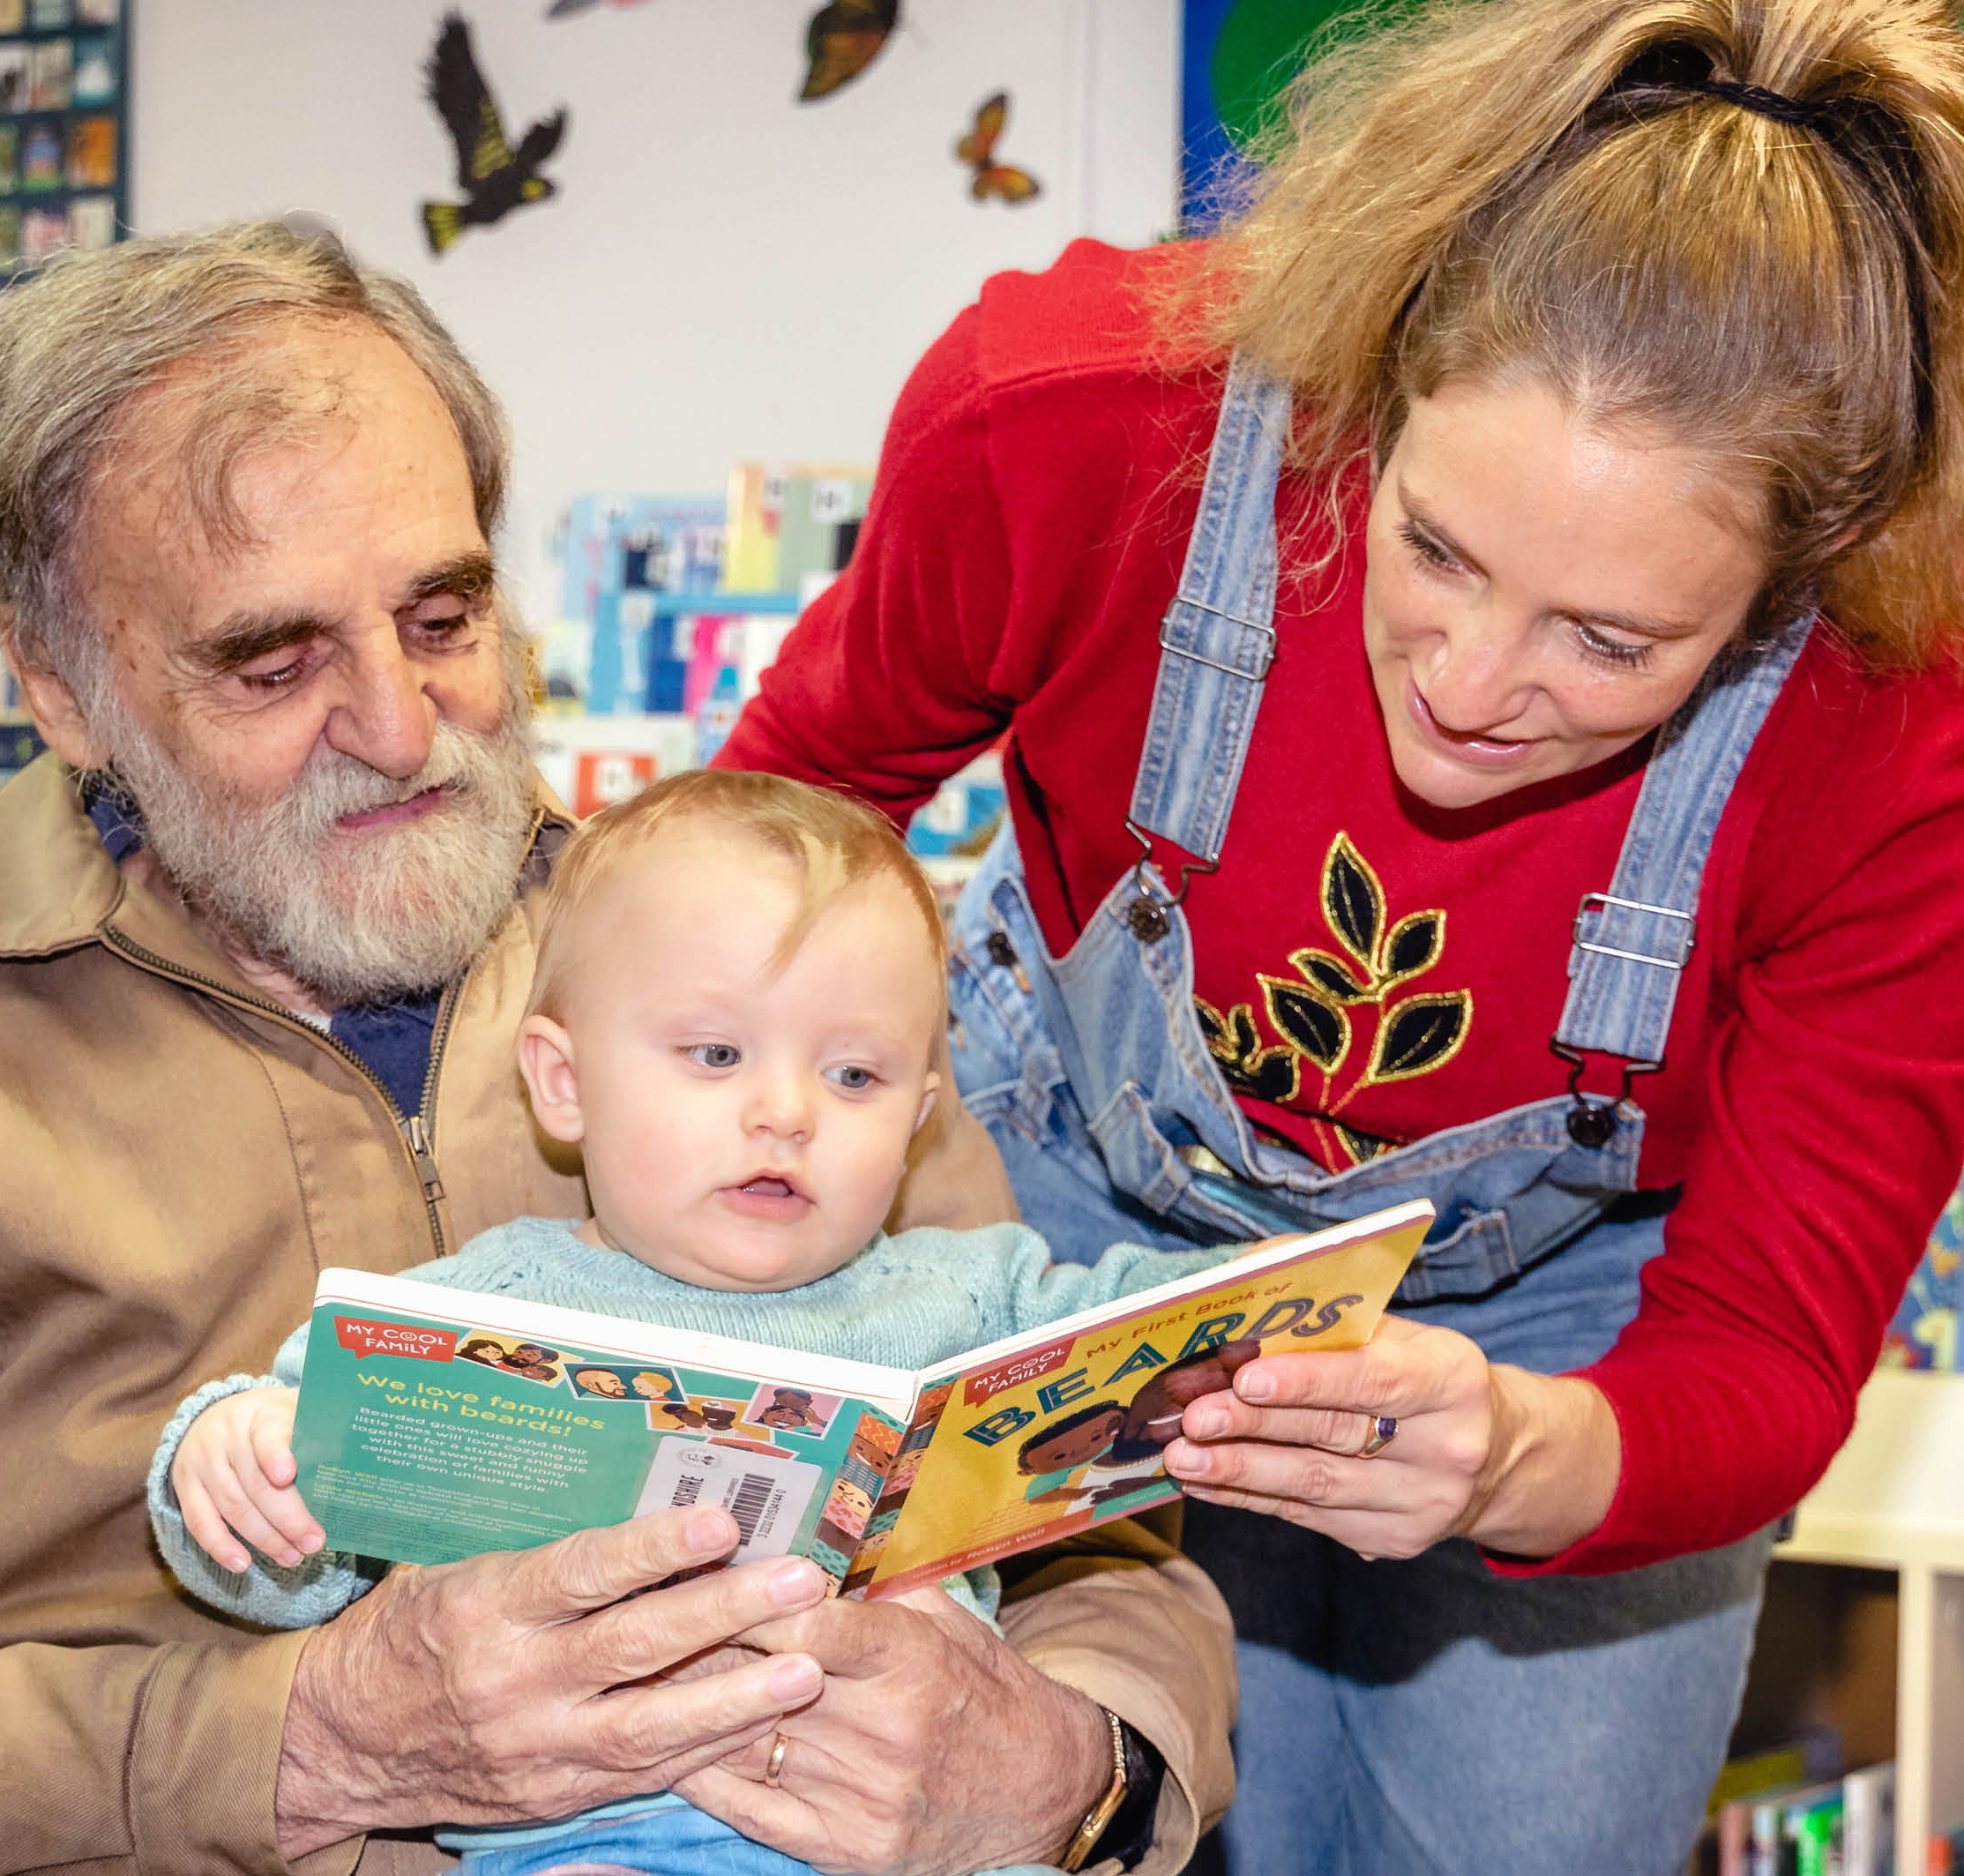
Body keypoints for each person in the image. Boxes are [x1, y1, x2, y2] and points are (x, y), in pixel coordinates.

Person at [0, 222, 1235, 1875]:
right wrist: (306, 1740)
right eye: (273, 662)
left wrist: (1073, 1773)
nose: (403, 724)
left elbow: (1110, 1529)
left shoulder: (750, 985)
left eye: (445, 618)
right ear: (60, 684)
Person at [713, 2, 1964, 1870]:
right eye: (1434, 548)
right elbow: (775, 827)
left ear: (1810, 563)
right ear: (1376, 377)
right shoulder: (1059, 422)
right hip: (1056, 1224)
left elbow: (1765, 1352)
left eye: (1608, 644)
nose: (1470, 688)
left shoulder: (1901, 721)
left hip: (1577, 1327)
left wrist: (1521, 1454)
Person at [153, 768, 1252, 1876]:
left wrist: (1300, 1319)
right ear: (565, 1084)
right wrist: (235, 1455)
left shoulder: (973, 1294)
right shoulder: (481, 1313)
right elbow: (294, 1548)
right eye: (717, 1055)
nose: (785, 1112)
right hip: (597, 1833)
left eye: (855, 1073)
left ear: (920, 1118)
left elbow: (1182, 1321)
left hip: (904, 1826)